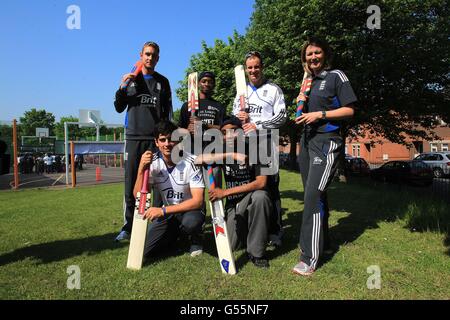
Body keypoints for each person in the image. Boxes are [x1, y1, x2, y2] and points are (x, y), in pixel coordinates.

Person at [293, 36, 357, 276]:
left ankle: (309, 258)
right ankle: (324, 244)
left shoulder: (336, 76)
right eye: (309, 54)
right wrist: (301, 103)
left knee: (312, 197)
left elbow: (350, 110)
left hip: (326, 142)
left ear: (325, 54)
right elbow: (305, 114)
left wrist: (319, 114)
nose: (313, 57)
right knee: (316, 196)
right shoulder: (308, 83)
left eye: (317, 53)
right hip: (307, 141)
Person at [114, 41, 173, 242]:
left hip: (154, 139)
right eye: (147, 54)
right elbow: (118, 107)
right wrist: (122, 87)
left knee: (158, 181)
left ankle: (156, 225)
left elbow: (167, 113)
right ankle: (128, 226)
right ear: (141, 55)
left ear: (158, 58)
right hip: (133, 138)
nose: (150, 58)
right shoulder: (130, 80)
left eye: (154, 55)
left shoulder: (163, 82)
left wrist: (165, 137)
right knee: (131, 181)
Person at [195, 116, 273, 268]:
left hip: (252, 198)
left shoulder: (258, 148)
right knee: (231, 245)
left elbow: (261, 182)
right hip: (234, 204)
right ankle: (253, 233)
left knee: (261, 197)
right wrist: (230, 155)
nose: (228, 135)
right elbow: (198, 159)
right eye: (224, 132)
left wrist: (225, 192)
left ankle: (257, 253)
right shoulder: (223, 149)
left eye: (233, 131)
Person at [232, 51, 286, 247]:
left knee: (271, 187)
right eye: (250, 67)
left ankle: (275, 232)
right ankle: (249, 228)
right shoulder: (241, 92)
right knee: (250, 186)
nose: (253, 70)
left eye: (256, 66)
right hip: (246, 145)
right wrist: (239, 119)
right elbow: (233, 117)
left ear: (262, 67)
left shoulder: (273, 89)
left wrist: (258, 124)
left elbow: (282, 117)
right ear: (246, 70)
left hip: (266, 144)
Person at [134, 121, 205, 257]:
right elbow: (139, 197)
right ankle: (174, 235)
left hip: (189, 211)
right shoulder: (152, 162)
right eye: (162, 140)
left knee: (191, 222)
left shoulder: (191, 161)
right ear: (156, 142)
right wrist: (141, 169)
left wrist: (162, 210)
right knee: (145, 251)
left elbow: (198, 201)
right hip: (168, 213)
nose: (167, 144)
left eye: (171, 139)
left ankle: (196, 237)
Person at [178, 71, 226, 198]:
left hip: (212, 153)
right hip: (192, 154)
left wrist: (204, 124)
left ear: (214, 84)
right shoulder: (187, 106)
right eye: (204, 81)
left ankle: (218, 216)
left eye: (210, 82)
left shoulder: (219, 106)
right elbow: (179, 132)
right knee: (193, 192)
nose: (207, 84)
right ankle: (197, 215)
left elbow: (223, 129)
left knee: (214, 190)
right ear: (198, 83)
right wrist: (187, 130)